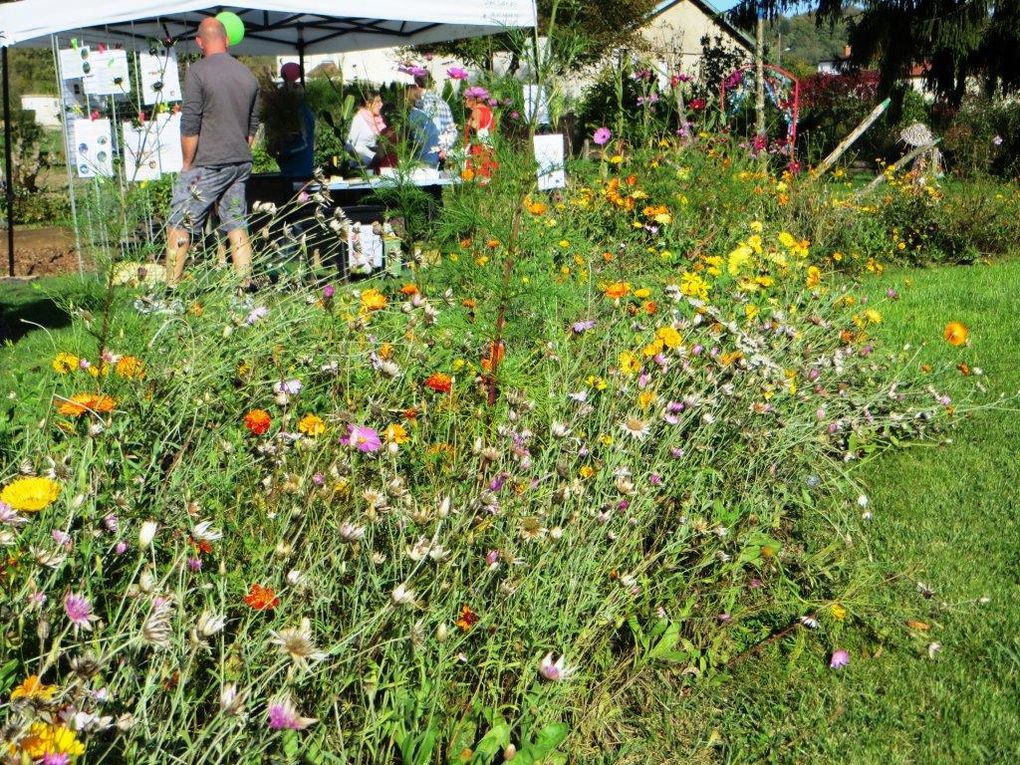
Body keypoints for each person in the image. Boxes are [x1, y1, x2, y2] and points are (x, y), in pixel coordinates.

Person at [167, 17, 259, 286]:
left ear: (199, 42)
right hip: (240, 161)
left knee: (179, 222)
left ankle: (171, 291)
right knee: (236, 222)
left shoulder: (198, 72)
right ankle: (246, 287)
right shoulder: (249, 76)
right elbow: (252, 127)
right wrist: (239, 150)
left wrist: (187, 162)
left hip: (208, 162)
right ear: (227, 40)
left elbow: (190, 121)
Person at [272, 62, 316, 178]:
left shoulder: (302, 113)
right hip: (289, 170)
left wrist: (282, 153)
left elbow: (304, 143)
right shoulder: (290, 113)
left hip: (300, 171)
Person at [414, 74, 457, 156]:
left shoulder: (418, 103)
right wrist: (444, 149)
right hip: (437, 154)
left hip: (421, 154)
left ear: (416, 85)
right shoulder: (443, 103)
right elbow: (452, 131)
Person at [463, 86, 498, 182]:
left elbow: (475, 126)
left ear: (473, 100)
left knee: (475, 180)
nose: (465, 101)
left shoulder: (476, 110)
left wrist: (470, 122)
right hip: (487, 148)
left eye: (467, 99)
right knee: (487, 179)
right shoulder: (488, 111)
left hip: (477, 150)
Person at [406, 85, 442, 169]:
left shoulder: (414, 116)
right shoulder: (423, 114)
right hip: (432, 157)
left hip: (423, 161)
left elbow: (418, 141)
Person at [346, 92, 386, 169]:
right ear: (368, 104)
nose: (381, 104)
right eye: (377, 101)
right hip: (362, 165)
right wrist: (361, 159)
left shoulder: (379, 119)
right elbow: (349, 145)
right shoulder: (359, 119)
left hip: (376, 161)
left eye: (381, 101)